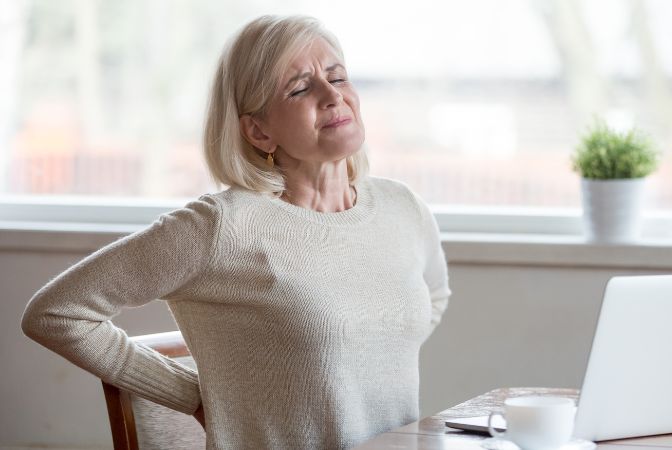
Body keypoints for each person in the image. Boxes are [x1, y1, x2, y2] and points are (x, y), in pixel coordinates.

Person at [20, 15, 450, 450]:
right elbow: (56, 314)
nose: (332, 94)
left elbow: (434, 295)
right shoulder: (221, 227)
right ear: (259, 131)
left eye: (337, 76)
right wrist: (190, 395)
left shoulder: (403, 207)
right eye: (301, 88)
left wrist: (368, 344)